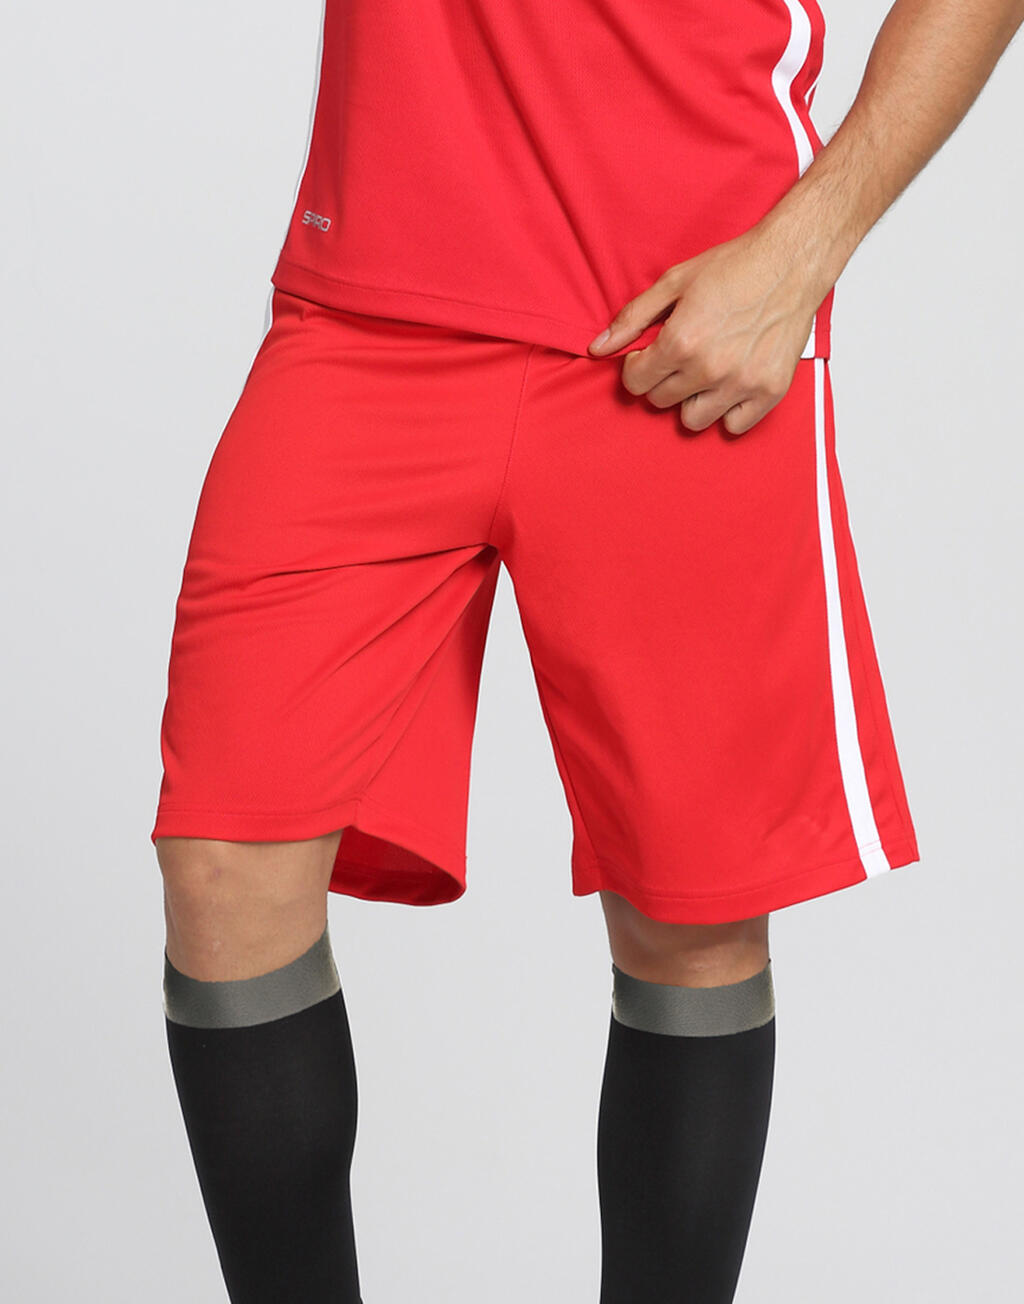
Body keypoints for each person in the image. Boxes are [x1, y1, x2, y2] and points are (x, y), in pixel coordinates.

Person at [150, 2, 1021, 1301]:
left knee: (690, 918)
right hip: (370, 304)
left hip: (682, 317)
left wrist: (802, 252)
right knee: (226, 867)